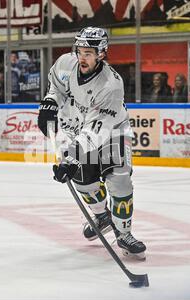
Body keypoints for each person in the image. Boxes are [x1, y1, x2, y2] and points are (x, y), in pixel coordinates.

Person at [37, 27, 146, 259]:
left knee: (120, 180)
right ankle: (102, 216)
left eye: (88, 53)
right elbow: (56, 88)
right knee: (83, 181)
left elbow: (97, 130)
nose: (81, 57)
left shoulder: (111, 85)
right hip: (77, 129)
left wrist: (73, 156)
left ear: (101, 54)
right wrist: (49, 103)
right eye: (79, 51)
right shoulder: (66, 63)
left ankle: (124, 234)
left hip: (112, 132)